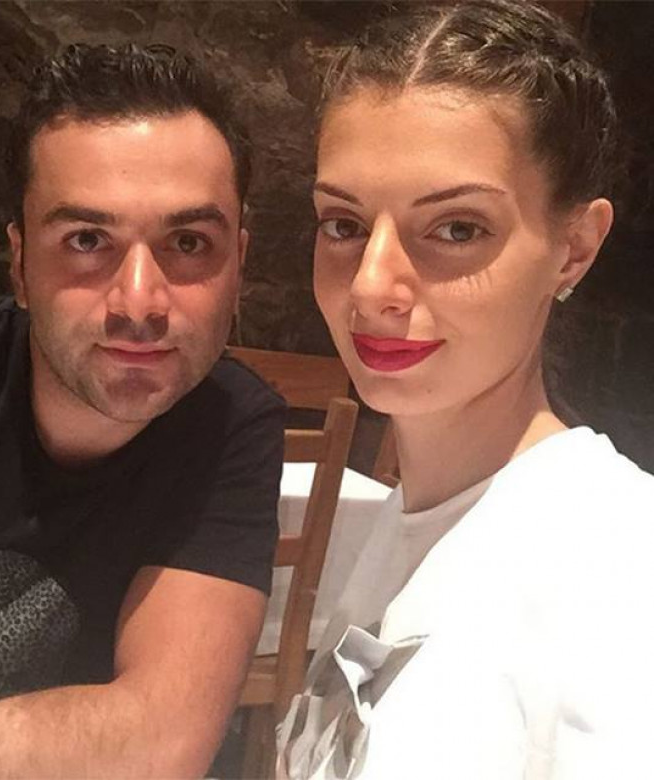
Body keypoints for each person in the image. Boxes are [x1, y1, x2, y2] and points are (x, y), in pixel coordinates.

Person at [0, 43, 286, 778]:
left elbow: (163, 740)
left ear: (239, 266)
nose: (140, 303)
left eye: (189, 243)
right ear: (19, 264)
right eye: (87, 241)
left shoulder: (232, 425)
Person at [277, 1, 654, 777]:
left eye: (456, 229)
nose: (371, 285)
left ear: (575, 249)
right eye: (343, 224)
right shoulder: (412, 521)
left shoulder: (617, 577)